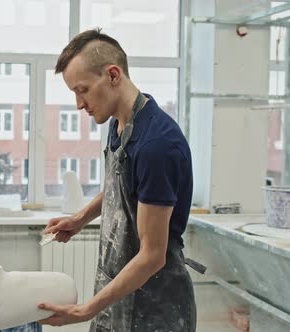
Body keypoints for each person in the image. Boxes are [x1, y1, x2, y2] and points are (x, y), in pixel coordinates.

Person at [38, 29, 198, 331]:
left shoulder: (157, 145)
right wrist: (79, 219)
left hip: (156, 308)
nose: (78, 103)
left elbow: (152, 256)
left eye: (82, 89)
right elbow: (122, 188)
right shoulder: (120, 124)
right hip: (120, 292)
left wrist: (86, 309)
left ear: (113, 75)